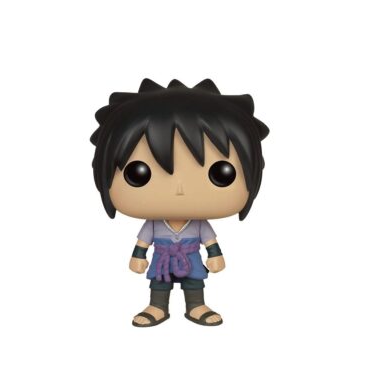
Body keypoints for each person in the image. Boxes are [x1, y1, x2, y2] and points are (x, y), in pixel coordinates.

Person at [90, 78, 269, 327]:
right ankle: (157, 307)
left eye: (221, 173)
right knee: (159, 283)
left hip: (190, 258)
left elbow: (210, 241)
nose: (180, 189)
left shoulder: (199, 225)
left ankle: (196, 306)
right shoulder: (154, 224)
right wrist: (138, 256)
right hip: (162, 258)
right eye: (138, 173)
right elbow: (143, 242)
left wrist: (215, 255)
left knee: (194, 283)